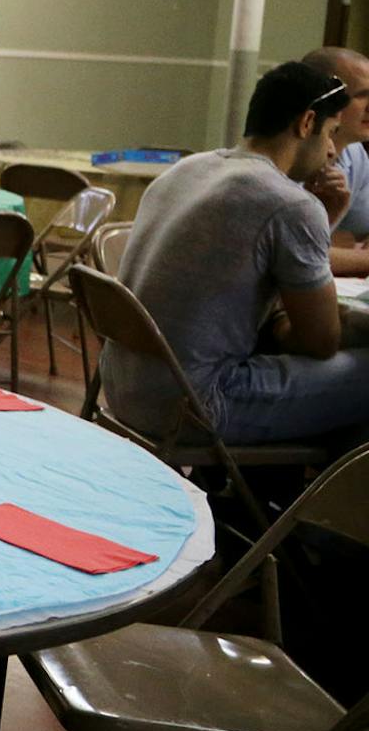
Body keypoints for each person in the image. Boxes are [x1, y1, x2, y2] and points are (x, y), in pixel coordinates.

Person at [112, 61, 369, 446]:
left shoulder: (188, 170)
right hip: (198, 406)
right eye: (331, 133)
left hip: (126, 389)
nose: (332, 151)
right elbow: (321, 341)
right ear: (306, 123)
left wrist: (324, 221)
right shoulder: (289, 203)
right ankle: (315, 501)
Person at [301, 46, 369, 276]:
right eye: (361, 95)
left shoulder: (354, 152)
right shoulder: (292, 160)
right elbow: (297, 253)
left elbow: (358, 233)